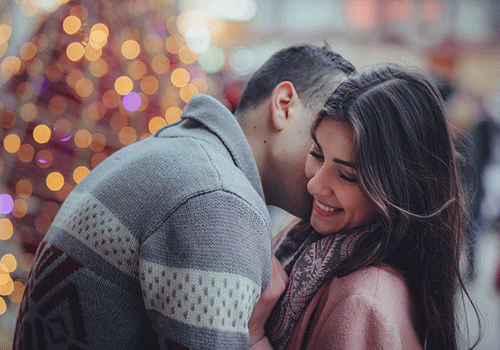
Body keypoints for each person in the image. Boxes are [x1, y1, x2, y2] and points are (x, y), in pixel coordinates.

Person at [13, 44, 355, 350]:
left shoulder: (181, 153)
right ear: (283, 105)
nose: (330, 167)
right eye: (322, 140)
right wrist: (253, 335)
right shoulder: (219, 198)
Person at [250, 64, 478, 350]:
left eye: (347, 176)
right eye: (318, 154)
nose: (315, 186)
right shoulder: (309, 239)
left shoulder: (365, 301)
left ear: (400, 189)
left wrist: (254, 336)